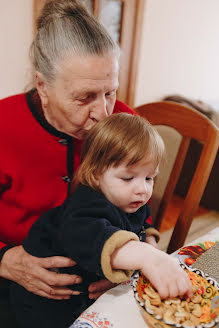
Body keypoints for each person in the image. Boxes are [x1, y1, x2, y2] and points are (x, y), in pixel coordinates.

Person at [0, 0, 137, 326]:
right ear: (43, 86)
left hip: (102, 277)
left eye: (110, 92)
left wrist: (130, 259)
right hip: (14, 279)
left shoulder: (124, 122)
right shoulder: (3, 124)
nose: (104, 113)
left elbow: (140, 208)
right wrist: (5, 260)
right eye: (84, 97)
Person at [10, 113, 193, 328]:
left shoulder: (130, 199)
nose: (143, 189)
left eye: (149, 178)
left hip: (89, 292)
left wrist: (149, 243)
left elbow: (142, 224)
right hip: (47, 302)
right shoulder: (85, 205)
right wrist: (148, 257)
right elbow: (95, 237)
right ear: (96, 174)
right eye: (128, 178)